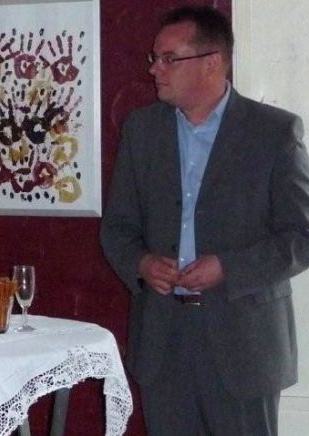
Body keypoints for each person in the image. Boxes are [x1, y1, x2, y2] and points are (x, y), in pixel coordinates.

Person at [100, 5, 309, 435]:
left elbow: (302, 235)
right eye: (155, 58)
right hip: (163, 343)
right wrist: (142, 264)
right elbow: (117, 228)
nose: (155, 69)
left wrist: (227, 268)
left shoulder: (273, 133)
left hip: (244, 348)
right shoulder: (142, 130)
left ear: (212, 62)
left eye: (168, 58)